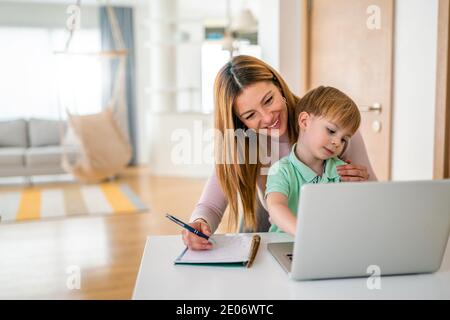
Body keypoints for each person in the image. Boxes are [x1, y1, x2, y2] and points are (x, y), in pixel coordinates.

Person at [182, 55, 376, 250]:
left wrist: (363, 183)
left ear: (279, 87)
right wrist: (199, 224)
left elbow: (375, 196)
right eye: (250, 115)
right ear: (241, 122)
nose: (267, 117)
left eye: (268, 100)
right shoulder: (241, 141)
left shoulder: (329, 124)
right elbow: (211, 206)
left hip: (327, 235)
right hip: (267, 230)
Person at [265, 86, 361, 235]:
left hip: (327, 245)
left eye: (344, 139)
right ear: (304, 121)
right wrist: (306, 235)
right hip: (284, 245)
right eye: (331, 131)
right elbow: (276, 206)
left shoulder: (341, 171)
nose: (337, 142)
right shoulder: (281, 171)